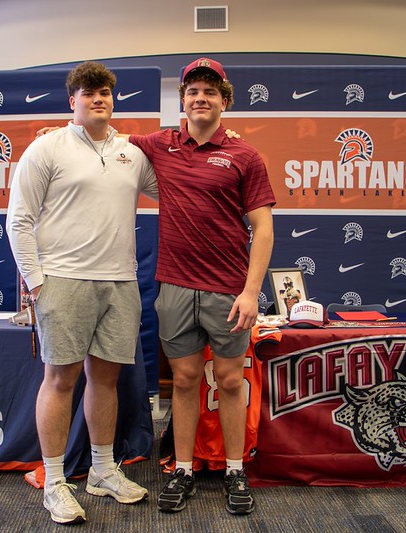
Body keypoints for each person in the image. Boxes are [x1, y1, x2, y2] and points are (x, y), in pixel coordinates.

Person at [6, 61, 157, 525]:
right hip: (63, 281)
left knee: (105, 380)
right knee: (60, 381)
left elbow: (180, 183)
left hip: (120, 281)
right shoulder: (46, 147)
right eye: (89, 92)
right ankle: (54, 481)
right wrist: (36, 282)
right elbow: (19, 220)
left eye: (106, 93)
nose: (99, 99)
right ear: (72, 100)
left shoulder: (133, 152)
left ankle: (103, 471)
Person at [128, 58, 275, 515]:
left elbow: (263, 229)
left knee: (230, 381)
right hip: (173, 286)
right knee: (186, 380)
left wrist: (251, 292)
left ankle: (235, 470)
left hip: (228, 291)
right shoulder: (162, 144)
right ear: (183, 101)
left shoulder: (245, 156)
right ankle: (183, 469)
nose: (200, 99)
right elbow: (108, 140)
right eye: (192, 92)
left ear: (224, 101)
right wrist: (59, 134)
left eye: (210, 92)